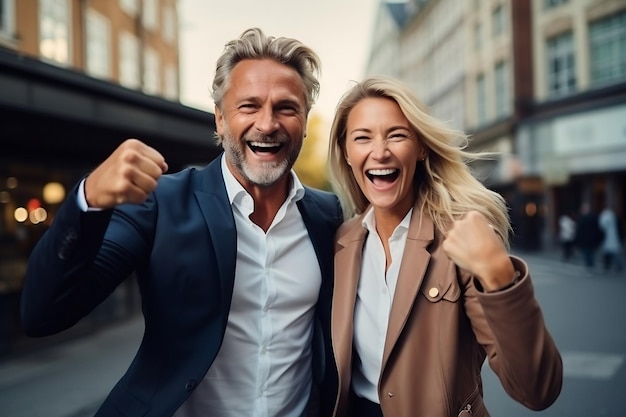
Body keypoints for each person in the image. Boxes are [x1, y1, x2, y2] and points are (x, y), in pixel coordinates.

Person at [20, 28, 342, 417]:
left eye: (286, 108)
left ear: (305, 122)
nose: (268, 123)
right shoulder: (159, 202)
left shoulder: (328, 215)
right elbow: (42, 314)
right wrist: (88, 201)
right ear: (220, 120)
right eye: (249, 106)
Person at [326, 76, 563, 417]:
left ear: (421, 147)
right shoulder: (342, 242)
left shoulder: (460, 240)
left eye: (397, 135)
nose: (380, 152)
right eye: (362, 138)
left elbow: (538, 389)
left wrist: (499, 275)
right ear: (346, 152)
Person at [575, 202, 603, 270]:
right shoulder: (592, 217)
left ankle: (589, 264)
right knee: (589, 252)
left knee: (587, 252)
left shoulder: (582, 218)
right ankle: (590, 264)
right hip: (590, 239)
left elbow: (579, 230)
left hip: (586, 239)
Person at [598, 205, 624, 273]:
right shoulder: (615, 218)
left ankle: (608, 266)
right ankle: (614, 265)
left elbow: (601, 227)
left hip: (608, 239)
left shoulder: (605, 218)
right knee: (613, 253)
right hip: (613, 239)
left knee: (610, 253)